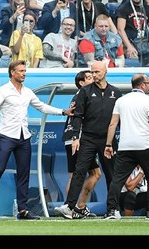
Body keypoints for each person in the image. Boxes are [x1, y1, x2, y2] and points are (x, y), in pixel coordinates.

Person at [0, 60, 74, 221]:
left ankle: (23, 210)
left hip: (24, 137)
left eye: (24, 70)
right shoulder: (3, 91)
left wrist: (63, 112)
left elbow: (42, 107)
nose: (24, 73)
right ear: (12, 72)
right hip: (7, 136)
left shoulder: (27, 92)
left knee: (24, 174)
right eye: (21, 70)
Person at [55, 61, 122, 219]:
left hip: (108, 139)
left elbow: (121, 118)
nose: (94, 74)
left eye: (97, 72)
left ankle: (113, 209)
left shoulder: (116, 92)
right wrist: (75, 137)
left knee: (112, 174)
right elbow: (77, 116)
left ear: (105, 72)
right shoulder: (85, 91)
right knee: (79, 171)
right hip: (88, 138)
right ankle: (70, 206)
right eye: (92, 72)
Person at [54, 70, 101, 219]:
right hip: (79, 139)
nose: (92, 78)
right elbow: (80, 118)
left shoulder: (79, 95)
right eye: (88, 77)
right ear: (81, 83)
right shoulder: (84, 94)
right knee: (92, 174)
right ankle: (74, 207)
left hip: (72, 138)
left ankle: (75, 207)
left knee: (75, 175)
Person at [103, 73, 149, 219]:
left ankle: (112, 211)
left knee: (117, 180)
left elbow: (112, 124)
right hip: (144, 145)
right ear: (142, 85)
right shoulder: (147, 101)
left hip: (125, 147)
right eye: (147, 83)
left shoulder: (121, 101)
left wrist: (109, 144)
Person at [116, 0, 149, 66]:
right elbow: (120, 29)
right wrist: (129, 46)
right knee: (133, 58)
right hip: (130, 43)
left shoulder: (146, 7)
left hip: (144, 41)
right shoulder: (124, 7)